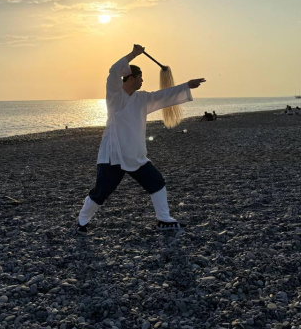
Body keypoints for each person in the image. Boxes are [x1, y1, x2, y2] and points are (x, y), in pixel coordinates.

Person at [76, 44, 205, 234]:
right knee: (101, 191)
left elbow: (164, 95)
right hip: (113, 155)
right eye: (140, 77)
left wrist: (187, 85)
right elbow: (113, 70)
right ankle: (82, 221)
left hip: (135, 154)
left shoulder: (142, 99)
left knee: (156, 182)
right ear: (130, 78)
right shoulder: (115, 95)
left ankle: (164, 220)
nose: (143, 80)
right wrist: (134, 54)